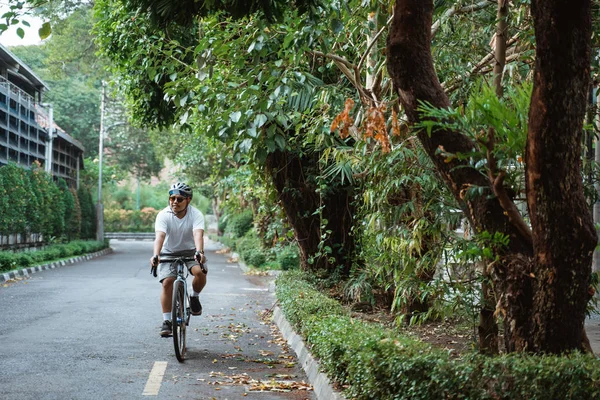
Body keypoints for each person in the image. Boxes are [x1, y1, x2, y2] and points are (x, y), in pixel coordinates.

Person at [150, 182, 207, 337]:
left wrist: (199, 252)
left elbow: (198, 234)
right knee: (168, 282)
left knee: (199, 273)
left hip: (190, 251)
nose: (174, 202)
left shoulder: (196, 214)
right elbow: (160, 236)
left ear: (188, 200)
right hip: (169, 252)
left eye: (179, 199)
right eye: (172, 198)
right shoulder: (163, 215)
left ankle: (194, 297)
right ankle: (167, 321)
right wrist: (156, 254)